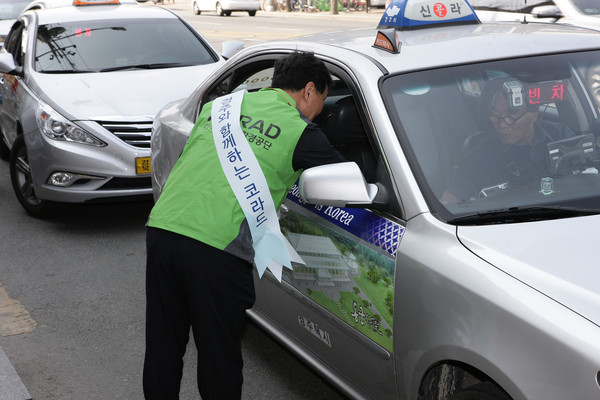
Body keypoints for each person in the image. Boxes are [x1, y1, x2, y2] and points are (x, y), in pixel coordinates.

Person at [143, 51, 345, 400]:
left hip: (162, 230)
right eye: (322, 102)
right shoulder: (302, 133)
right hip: (216, 249)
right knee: (218, 356)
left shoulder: (220, 108)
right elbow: (345, 180)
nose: (319, 112)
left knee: (164, 345)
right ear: (309, 91)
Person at [441, 77, 575, 203]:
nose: (502, 124)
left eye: (512, 114)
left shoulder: (561, 135)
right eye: (495, 115)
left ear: (533, 113)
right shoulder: (479, 158)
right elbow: (453, 196)